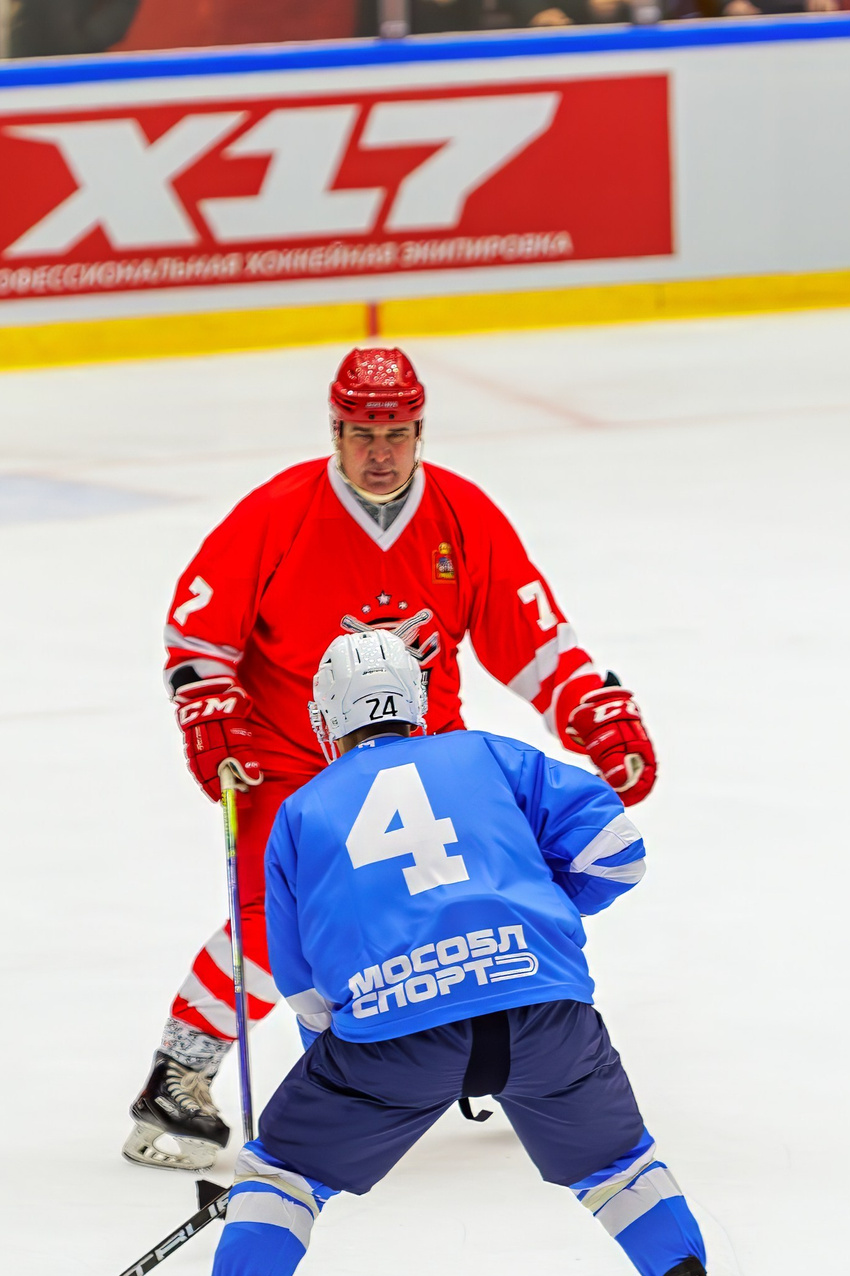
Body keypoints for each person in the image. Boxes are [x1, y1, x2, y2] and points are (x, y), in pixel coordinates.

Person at [155, 629, 752, 1276]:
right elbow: (618, 853)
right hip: (544, 1015)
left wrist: (344, 1073)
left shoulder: (301, 812)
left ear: (325, 718)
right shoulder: (491, 756)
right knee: (618, 1165)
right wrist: (533, 921)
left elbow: (304, 993)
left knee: (283, 1172)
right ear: (419, 701)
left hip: (395, 1040)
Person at [124, 346, 660, 1172]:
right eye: (363, 434)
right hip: (290, 756)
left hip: (430, 758)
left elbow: (532, 637)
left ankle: (489, 1043)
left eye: (398, 434)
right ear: (335, 432)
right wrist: (210, 709)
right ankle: (180, 1072)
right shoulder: (277, 514)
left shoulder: (462, 516)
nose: (381, 452)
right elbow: (198, 633)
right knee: (277, 919)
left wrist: (590, 706)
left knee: (478, 894)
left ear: (420, 432)